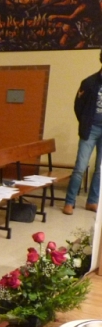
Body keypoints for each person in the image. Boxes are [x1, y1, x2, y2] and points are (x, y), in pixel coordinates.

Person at [62, 49, 102, 215]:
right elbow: (78, 106)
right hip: (90, 129)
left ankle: (92, 201)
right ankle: (69, 202)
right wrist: (85, 122)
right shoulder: (89, 82)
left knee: (100, 168)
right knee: (80, 166)